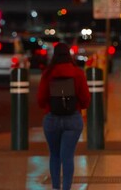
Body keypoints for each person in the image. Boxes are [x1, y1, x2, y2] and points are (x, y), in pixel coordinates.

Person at [37, 42, 91, 190]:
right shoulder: (78, 73)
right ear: (69, 55)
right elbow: (86, 99)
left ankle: (55, 187)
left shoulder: (48, 74)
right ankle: (66, 187)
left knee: (54, 155)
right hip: (73, 120)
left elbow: (41, 100)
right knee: (67, 157)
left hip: (52, 119)